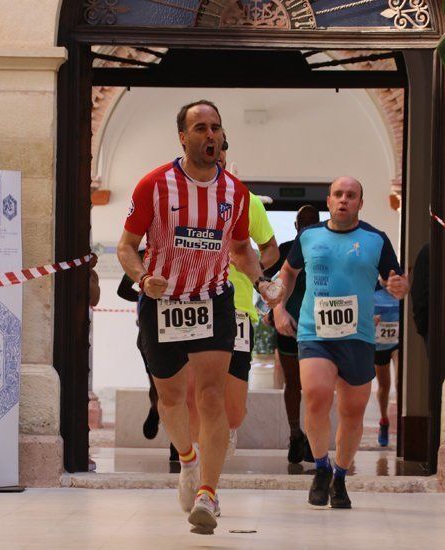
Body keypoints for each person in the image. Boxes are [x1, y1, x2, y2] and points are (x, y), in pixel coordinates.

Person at [116, 100, 280, 535]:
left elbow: (242, 248)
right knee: (171, 399)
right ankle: (187, 461)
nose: (210, 135)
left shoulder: (236, 193)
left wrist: (262, 284)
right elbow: (126, 247)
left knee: (210, 397)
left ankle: (208, 493)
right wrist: (141, 277)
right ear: (183, 138)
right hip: (164, 303)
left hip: (213, 300)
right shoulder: (154, 185)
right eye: (201, 128)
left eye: (216, 128)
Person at [275, 176, 409, 509]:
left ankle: (340, 477)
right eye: (338, 194)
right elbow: (288, 273)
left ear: (360, 203)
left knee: (352, 412)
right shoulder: (309, 237)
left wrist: (399, 287)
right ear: (329, 200)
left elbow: (394, 279)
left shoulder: (376, 240)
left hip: (359, 336)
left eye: (351, 195)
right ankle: (320, 467)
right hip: (314, 332)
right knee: (317, 397)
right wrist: (278, 308)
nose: (343, 200)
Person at [184, 138, 279, 456]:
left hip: (236, 309)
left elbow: (271, 250)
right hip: (190, 305)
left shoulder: (245, 199)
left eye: (222, 147)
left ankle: (224, 433)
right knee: (194, 394)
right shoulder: (178, 196)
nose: (217, 154)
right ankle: (197, 470)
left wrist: (249, 267)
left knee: (233, 411)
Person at [267, 205, 319, 464]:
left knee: (314, 385)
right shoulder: (286, 250)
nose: (308, 225)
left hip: (318, 327)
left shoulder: (324, 247)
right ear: (296, 226)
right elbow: (263, 277)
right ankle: (295, 433)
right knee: (293, 383)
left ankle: (311, 437)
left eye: (313, 221)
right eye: (303, 221)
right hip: (288, 325)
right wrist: (273, 309)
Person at [117, 260, 180, 462]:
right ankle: (155, 408)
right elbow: (122, 290)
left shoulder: (187, 256)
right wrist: (147, 295)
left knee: (183, 389)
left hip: (184, 329)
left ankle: (177, 444)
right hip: (151, 332)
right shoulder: (142, 258)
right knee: (159, 386)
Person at [372, 282, 400, 447]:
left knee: (399, 381)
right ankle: (384, 420)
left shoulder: (400, 290)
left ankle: (402, 423)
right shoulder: (372, 291)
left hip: (397, 344)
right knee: (384, 387)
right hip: (380, 345)